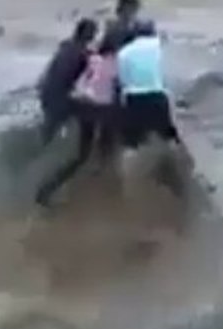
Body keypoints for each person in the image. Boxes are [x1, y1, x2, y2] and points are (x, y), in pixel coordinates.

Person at [34, 34, 120, 207]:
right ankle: (47, 190)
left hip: (72, 102)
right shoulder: (110, 63)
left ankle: (48, 183)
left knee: (77, 149)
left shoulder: (82, 55)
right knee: (83, 153)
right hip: (90, 108)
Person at [116, 19, 185, 194]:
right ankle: (180, 177)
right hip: (156, 95)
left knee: (131, 142)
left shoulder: (124, 52)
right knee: (169, 136)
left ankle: (127, 182)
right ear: (152, 31)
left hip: (133, 98)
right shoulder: (159, 46)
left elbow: (123, 81)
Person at [37, 18, 98, 147]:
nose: (95, 35)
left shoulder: (65, 46)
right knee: (91, 114)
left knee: (50, 126)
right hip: (59, 97)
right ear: (88, 35)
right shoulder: (83, 54)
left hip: (45, 91)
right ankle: (84, 152)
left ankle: (42, 146)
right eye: (93, 32)